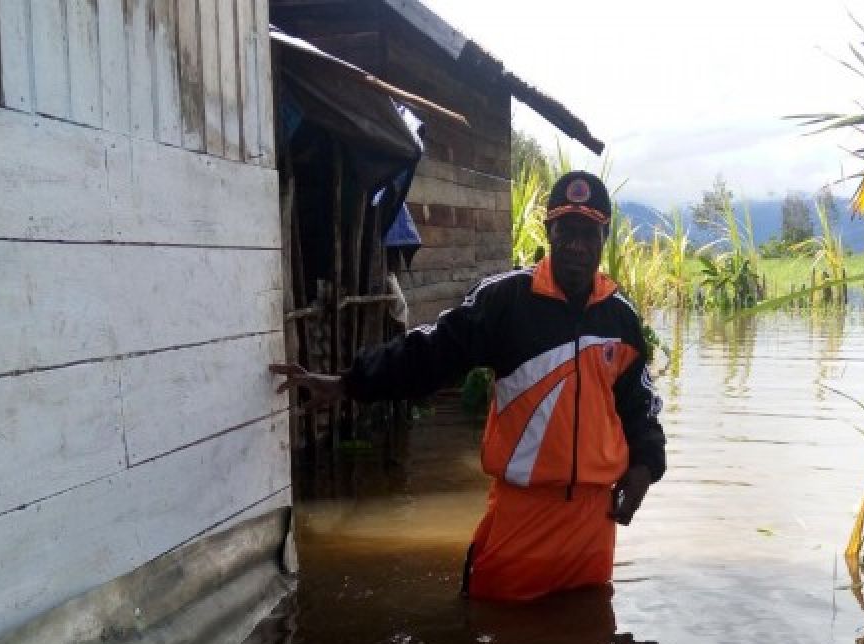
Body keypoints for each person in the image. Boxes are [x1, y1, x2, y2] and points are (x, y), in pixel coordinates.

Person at [270, 171, 666, 601]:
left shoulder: (620, 320)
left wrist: (645, 468)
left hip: (592, 524)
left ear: (603, 236)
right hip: (522, 517)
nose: (576, 244)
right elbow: (432, 351)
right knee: (494, 639)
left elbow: (639, 404)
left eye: (588, 232)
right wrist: (351, 383)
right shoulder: (506, 302)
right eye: (566, 229)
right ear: (550, 231)